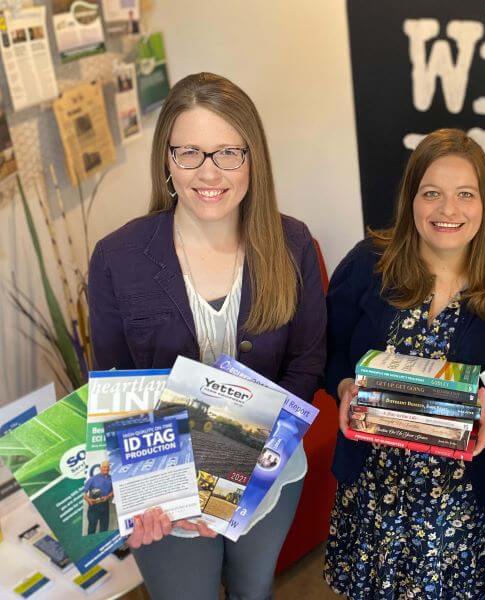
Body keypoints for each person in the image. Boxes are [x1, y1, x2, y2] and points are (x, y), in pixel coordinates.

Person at [87, 72, 326, 600]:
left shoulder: (292, 244)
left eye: (227, 153)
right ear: (167, 160)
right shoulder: (117, 258)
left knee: (253, 591)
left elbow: (305, 366)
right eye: (189, 152)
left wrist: (227, 485)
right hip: (166, 490)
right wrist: (166, 492)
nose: (209, 172)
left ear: (252, 158)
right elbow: (118, 384)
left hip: (270, 470)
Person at [323, 128, 485, 599]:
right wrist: (343, 386)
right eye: (432, 194)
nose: (448, 210)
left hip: (464, 501)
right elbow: (330, 348)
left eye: (466, 194)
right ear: (411, 199)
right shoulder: (369, 264)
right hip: (375, 489)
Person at [83, 461, 113, 533]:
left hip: (105, 505)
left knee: (104, 528)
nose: (106, 468)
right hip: (94, 506)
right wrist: (88, 500)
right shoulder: (93, 479)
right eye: (104, 467)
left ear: (109, 468)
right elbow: (84, 493)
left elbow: (113, 491)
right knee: (92, 527)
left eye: (108, 467)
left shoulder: (112, 479)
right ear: (100, 468)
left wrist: (108, 496)